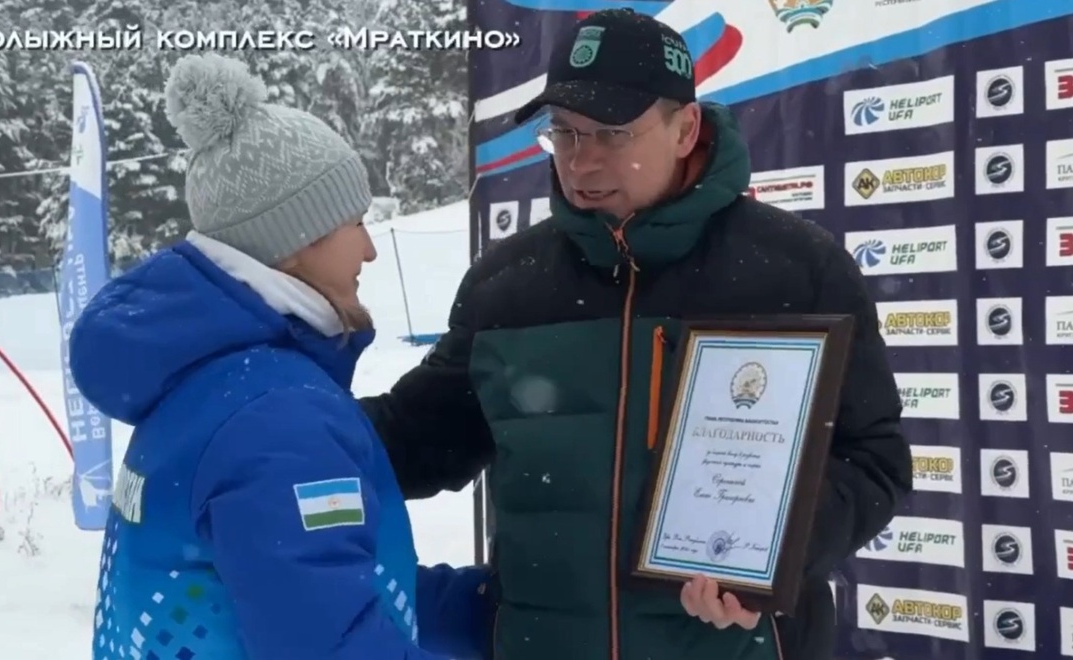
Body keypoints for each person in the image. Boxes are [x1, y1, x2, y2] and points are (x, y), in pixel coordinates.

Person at [359, 9, 912, 660]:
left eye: (612, 133)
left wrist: (779, 551)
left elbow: (872, 457)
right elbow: (417, 439)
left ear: (686, 129)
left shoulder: (797, 271)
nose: (581, 160)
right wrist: (284, 426)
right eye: (563, 131)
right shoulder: (505, 287)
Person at [70, 53, 489, 660]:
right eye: (355, 222)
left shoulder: (211, 383)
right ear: (295, 241)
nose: (369, 250)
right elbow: (333, 647)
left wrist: (490, 608)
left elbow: (317, 594)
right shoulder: (278, 418)